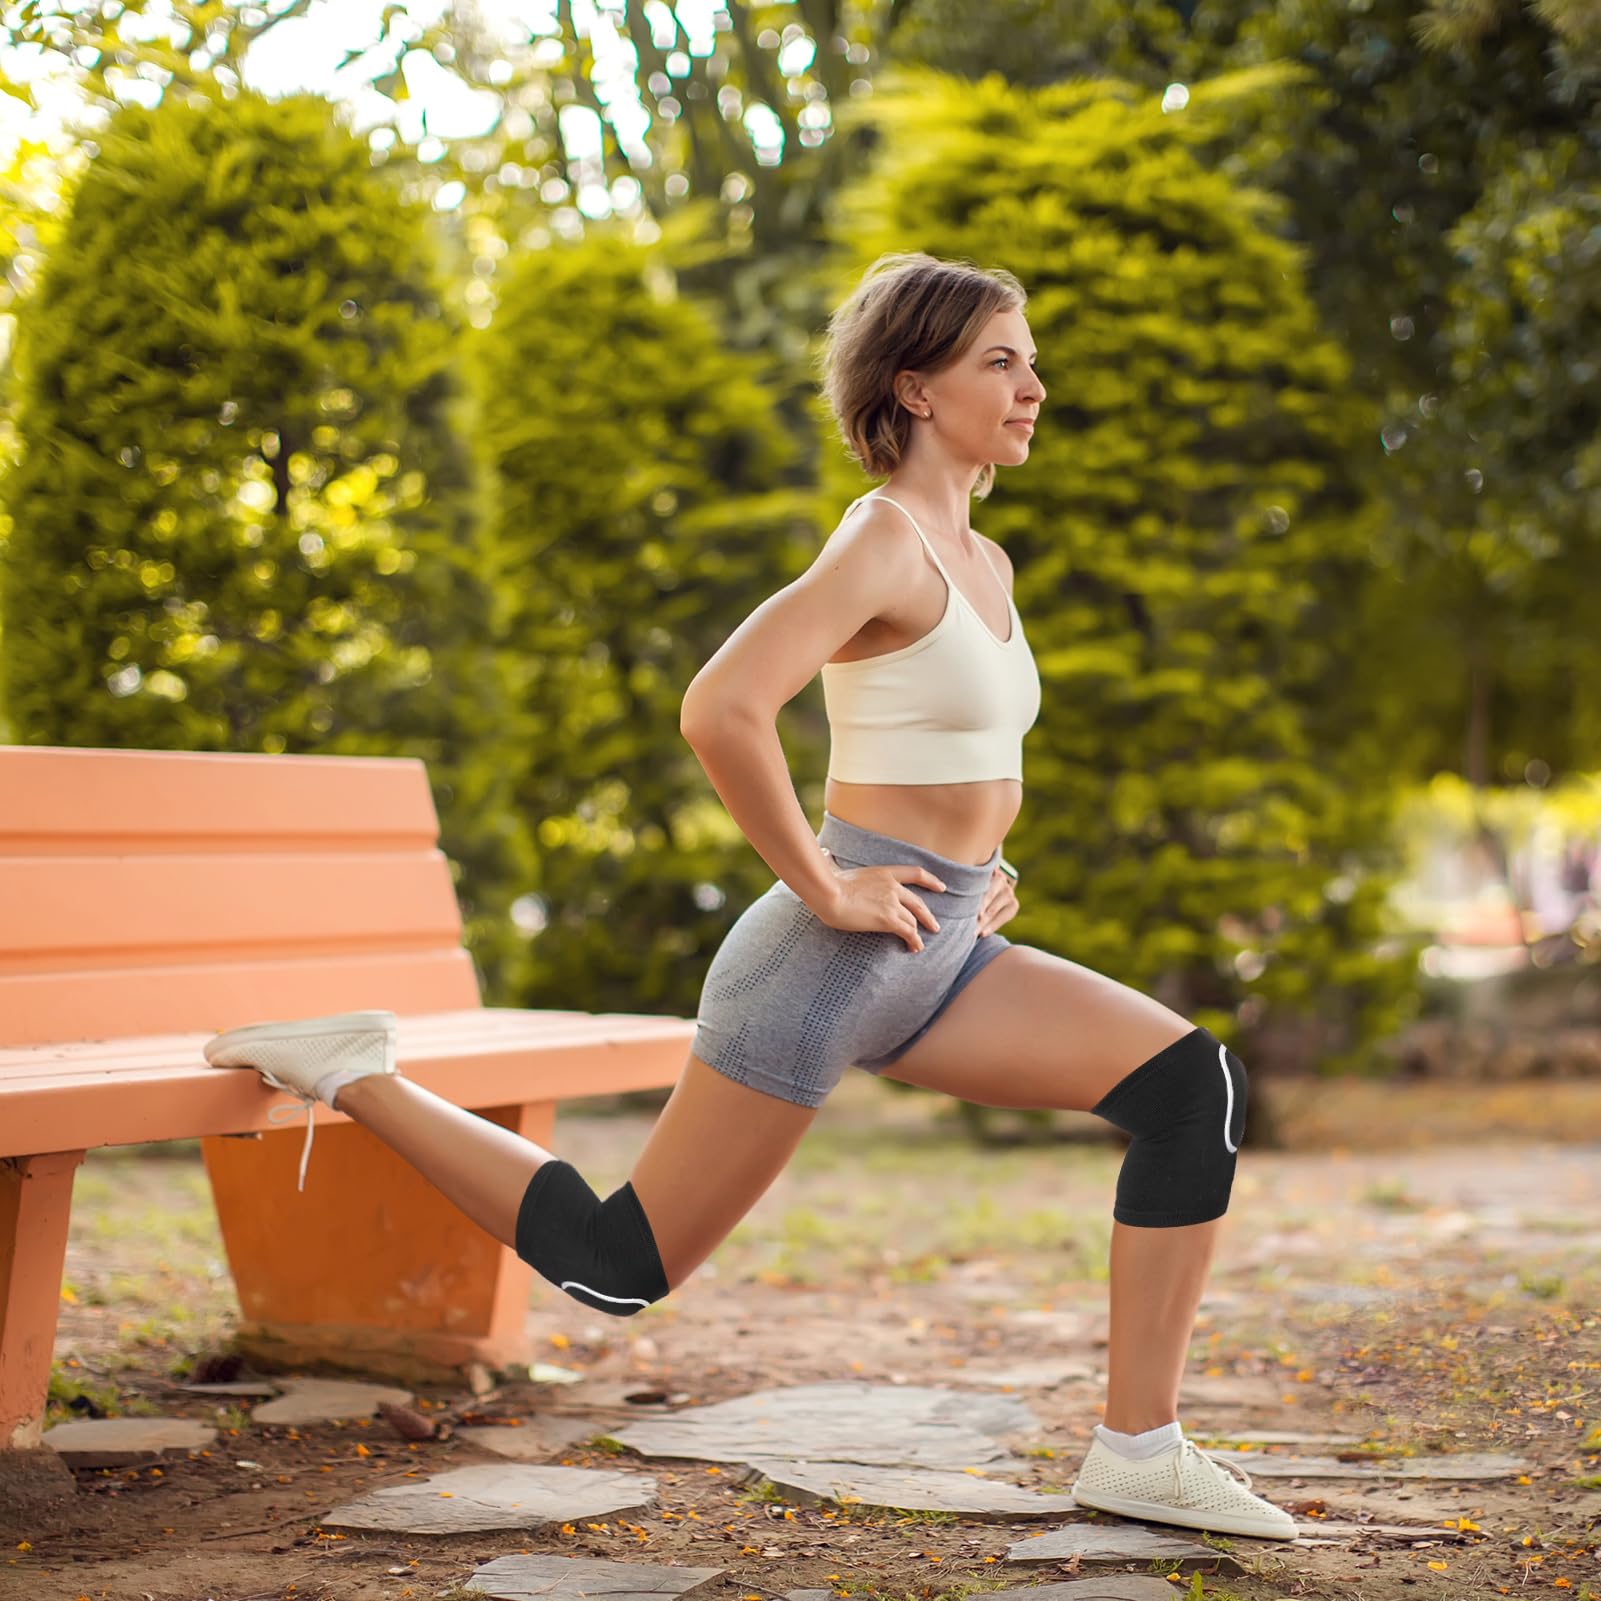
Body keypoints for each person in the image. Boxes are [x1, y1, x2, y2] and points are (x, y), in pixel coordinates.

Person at [204, 252, 1295, 1542]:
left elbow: (946, 748)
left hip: (938, 941)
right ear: (917, 385)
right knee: (618, 1269)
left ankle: (1139, 1449)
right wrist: (826, 881)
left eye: (1030, 359)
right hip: (832, 956)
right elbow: (721, 706)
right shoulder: (882, 539)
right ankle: (357, 1073)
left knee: (1188, 1090)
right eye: (1000, 360)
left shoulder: (982, 558)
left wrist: (978, 865)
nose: (1032, 386)